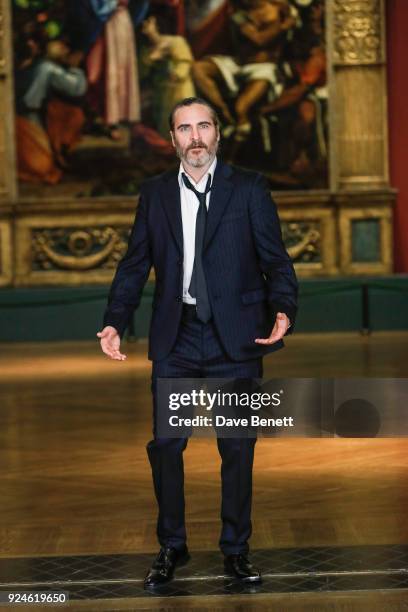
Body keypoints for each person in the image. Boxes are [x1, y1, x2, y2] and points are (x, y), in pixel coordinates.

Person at [98, 96, 298, 588]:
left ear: (217, 134)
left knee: (237, 447)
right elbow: (133, 263)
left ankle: (236, 549)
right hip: (178, 336)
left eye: (203, 126)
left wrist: (284, 310)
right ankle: (172, 545)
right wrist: (114, 320)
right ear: (171, 140)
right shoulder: (156, 193)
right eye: (184, 129)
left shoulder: (249, 189)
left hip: (237, 336)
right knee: (167, 445)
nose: (195, 137)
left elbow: (277, 259)